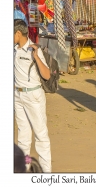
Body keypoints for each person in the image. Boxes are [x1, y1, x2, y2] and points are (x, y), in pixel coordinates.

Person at [14, 19, 52, 172]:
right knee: (23, 139)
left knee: (41, 137)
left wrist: (36, 56)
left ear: (18, 33)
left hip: (33, 96)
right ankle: (25, 168)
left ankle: (46, 172)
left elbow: (47, 75)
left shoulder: (33, 50)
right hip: (18, 95)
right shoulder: (14, 49)